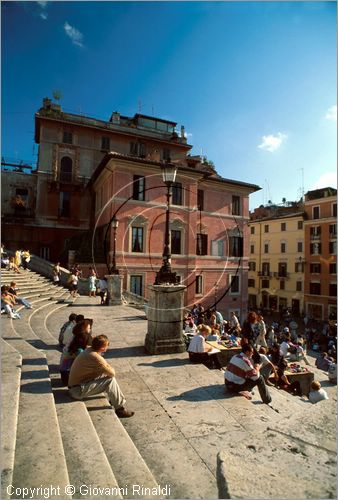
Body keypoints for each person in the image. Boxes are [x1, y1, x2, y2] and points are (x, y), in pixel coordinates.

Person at [68, 334, 134, 418]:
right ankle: (120, 409)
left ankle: (115, 399)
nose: (107, 347)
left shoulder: (89, 350)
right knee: (110, 380)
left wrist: (105, 366)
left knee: (104, 374)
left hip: (76, 386)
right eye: (107, 345)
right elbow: (112, 373)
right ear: (103, 347)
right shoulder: (95, 357)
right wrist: (107, 366)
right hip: (76, 391)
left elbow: (105, 368)